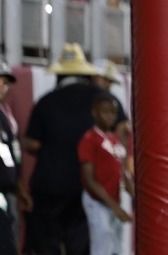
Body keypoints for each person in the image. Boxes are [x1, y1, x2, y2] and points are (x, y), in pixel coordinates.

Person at [24, 44, 124, 255]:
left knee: (47, 243)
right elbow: (123, 129)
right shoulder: (103, 99)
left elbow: (32, 143)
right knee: (82, 243)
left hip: (50, 186)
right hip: (89, 186)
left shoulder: (46, 101)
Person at [78, 92, 132, 255]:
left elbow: (122, 172)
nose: (110, 116)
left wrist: (135, 194)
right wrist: (114, 207)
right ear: (95, 112)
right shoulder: (89, 139)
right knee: (102, 245)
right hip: (98, 200)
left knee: (117, 246)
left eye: (113, 112)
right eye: (105, 112)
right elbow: (89, 179)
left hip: (115, 198)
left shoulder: (115, 138)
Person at [0, 61, 21, 253]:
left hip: (5, 192)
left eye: (5, 82)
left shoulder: (5, 114)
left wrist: (16, 182)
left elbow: (7, 152)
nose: (3, 87)